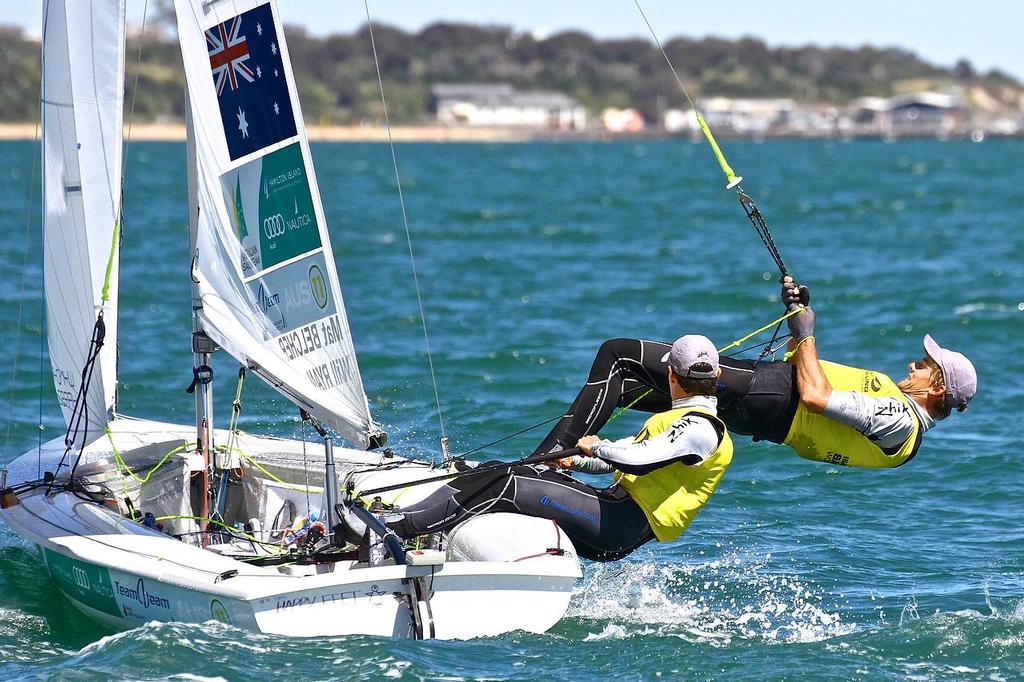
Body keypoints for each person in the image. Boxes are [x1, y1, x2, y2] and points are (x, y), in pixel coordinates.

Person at [336, 335, 734, 562]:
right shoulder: (679, 422)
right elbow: (630, 459)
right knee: (501, 471)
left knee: (503, 483)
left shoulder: (701, 429)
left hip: (618, 524)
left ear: (670, 375)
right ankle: (419, 530)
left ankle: (393, 531)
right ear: (716, 374)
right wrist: (577, 460)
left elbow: (639, 459)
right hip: (612, 514)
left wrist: (597, 445)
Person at [532, 277, 977, 469]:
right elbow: (808, 373)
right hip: (766, 397)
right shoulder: (897, 413)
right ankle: (558, 460)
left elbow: (816, 397)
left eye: (924, 365)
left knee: (619, 353)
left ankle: (548, 462)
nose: (913, 365)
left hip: (764, 396)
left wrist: (807, 332)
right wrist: (796, 312)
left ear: (937, 386)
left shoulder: (898, 422)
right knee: (629, 386)